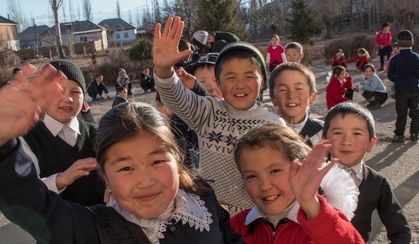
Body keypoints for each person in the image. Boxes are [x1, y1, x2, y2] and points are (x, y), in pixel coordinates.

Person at [0, 79, 243, 244]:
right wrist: (3, 142)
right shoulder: (95, 229)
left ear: (176, 158)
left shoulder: (202, 198)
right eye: (126, 168)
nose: (145, 181)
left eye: (157, 161)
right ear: (104, 175)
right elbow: (31, 206)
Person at [153, 17, 284, 210]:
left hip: (256, 217)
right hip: (211, 214)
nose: (240, 84)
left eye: (249, 76)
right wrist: (164, 69)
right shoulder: (208, 111)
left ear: (263, 81)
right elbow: (174, 96)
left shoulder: (273, 124)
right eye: (230, 77)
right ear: (218, 82)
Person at [231, 123, 364, 244]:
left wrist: (310, 204)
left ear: (300, 169)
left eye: (275, 171)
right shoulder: (237, 226)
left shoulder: (326, 222)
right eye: (251, 176)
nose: (265, 186)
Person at [322, 102, 412, 243]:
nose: (347, 141)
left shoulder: (377, 183)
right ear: (324, 140)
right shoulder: (313, 177)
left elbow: (400, 230)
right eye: (338, 133)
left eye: (357, 133)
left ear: (371, 143)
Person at [21, 59, 105, 206]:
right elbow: (24, 192)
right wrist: (60, 179)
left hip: (102, 221)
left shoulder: (96, 133)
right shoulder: (27, 140)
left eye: (75, 91)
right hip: (56, 226)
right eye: (58, 90)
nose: (68, 98)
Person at [269, 62, 323, 147]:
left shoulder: (325, 132)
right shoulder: (266, 134)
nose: (291, 96)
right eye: (283, 90)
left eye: (299, 89)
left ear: (312, 96)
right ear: (273, 98)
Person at [388, 30, 419, 143]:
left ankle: (399, 135)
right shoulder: (417, 57)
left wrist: (397, 80)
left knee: (401, 114)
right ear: (412, 43)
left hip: (401, 90)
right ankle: (414, 133)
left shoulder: (395, 59)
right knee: (415, 112)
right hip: (414, 89)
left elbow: (390, 75)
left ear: (398, 44)